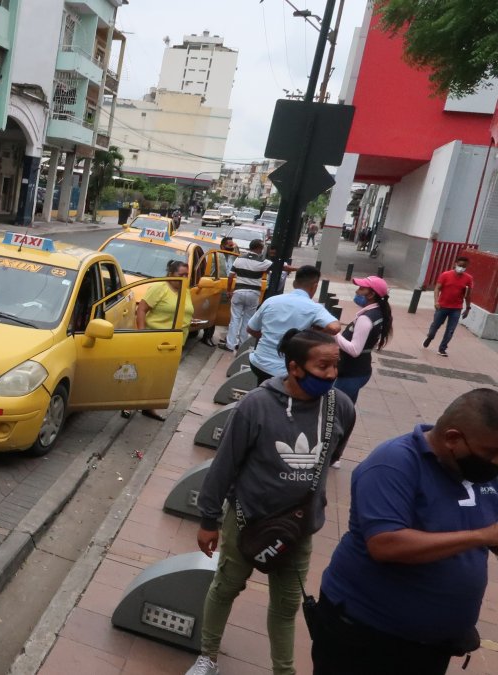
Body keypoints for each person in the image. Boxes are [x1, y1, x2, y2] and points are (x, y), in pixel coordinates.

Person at [187, 329, 357, 675]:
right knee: (226, 586)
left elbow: (331, 455)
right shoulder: (257, 405)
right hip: (246, 521)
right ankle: (208, 655)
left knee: (286, 605)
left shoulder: (340, 407)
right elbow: (226, 463)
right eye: (322, 366)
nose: (331, 374)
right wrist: (208, 520)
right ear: (295, 368)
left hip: (298, 529)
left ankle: (284, 670)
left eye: (335, 365)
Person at [312, 388, 498, 675]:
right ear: (452, 439)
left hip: (432, 644)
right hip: (365, 637)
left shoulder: (482, 472)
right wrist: (481, 536)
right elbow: (386, 544)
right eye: (491, 453)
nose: (495, 462)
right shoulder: (393, 463)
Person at [246, 265, 341, 386]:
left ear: (295, 283)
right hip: (286, 370)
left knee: (264, 389)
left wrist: (269, 336)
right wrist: (311, 336)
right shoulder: (314, 308)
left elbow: (251, 329)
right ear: (315, 286)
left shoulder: (271, 301)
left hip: (259, 363)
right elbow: (335, 327)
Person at [127, 259, 193, 421]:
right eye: (181, 274)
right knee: (143, 373)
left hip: (174, 342)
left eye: (187, 275)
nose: (184, 278)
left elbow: (185, 312)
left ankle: (150, 407)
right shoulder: (159, 288)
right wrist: (142, 333)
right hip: (155, 339)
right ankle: (127, 404)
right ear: (171, 274)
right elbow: (141, 310)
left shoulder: (186, 290)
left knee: (161, 377)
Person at [334, 275, 393, 404]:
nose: (357, 291)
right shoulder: (379, 312)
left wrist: (334, 335)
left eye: (361, 289)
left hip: (351, 373)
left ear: (371, 294)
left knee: (335, 410)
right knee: (347, 410)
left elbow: (355, 350)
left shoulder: (366, 318)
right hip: (360, 371)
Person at [224, 239, 289, 352]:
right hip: (253, 294)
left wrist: (229, 290)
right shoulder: (263, 261)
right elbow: (281, 267)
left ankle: (230, 345)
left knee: (235, 319)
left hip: (238, 292)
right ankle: (242, 345)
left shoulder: (239, 259)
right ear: (259, 248)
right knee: (247, 320)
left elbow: (230, 276)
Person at [423, 255, 473, 357]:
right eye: (460, 265)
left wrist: (468, 308)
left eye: (464, 266)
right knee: (435, 326)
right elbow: (437, 288)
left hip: (456, 308)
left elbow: (468, 295)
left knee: (450, 330)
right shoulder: (445, 275)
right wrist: (436, 301)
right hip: (442, 306)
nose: (461, 268)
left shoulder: (468, 279)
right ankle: (430, 337)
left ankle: (442, 348)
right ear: (455, 264)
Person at [199, 238, 240, 347]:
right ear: (222, 246)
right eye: (228, 246)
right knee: (211, 311)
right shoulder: (215, 256)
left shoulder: (234, 258)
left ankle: (209, 336)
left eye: (232, 247)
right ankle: (207, 336)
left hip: (226, 287)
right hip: (214, 286)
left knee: (219, 313)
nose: (231, 248)